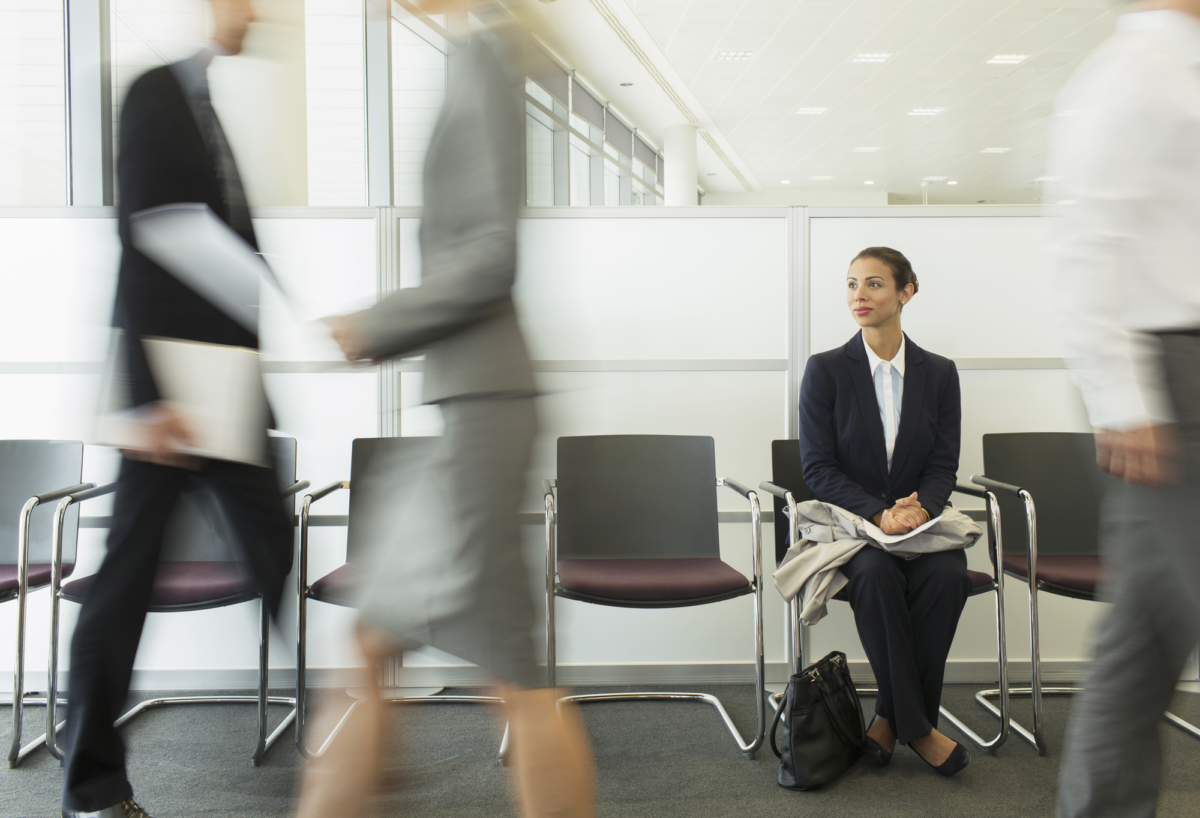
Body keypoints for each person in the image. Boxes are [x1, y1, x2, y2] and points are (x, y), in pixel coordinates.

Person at [298, 3, 595, 817]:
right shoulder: (477, 50)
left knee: (502, 670)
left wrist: (379, 323)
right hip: (474, 406)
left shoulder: (485, 55)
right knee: (414, 651)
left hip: (484, 405)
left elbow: (490, 257)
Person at [58, 3, 294, 818]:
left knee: (273, 552)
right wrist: (149, 400)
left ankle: (325, 747)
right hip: (173, 401)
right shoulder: (156, 94)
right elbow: (145, 237)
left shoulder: (205, 105)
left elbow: (218, 245)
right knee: (125, 584)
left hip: (227, 391)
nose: (255, 13)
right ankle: (91, 786)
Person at [1049, 2, 1200, 815]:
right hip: (1167, 372)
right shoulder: (1131, 71)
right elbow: (1084, 243)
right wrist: (1122, 394)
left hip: (1183, 364)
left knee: (1139, 645)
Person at [797, 247, 971, 776]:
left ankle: (890, 720)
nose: (859, 296)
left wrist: (919, 512)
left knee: (946, 577)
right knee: (875, 577)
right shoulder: (826, 370)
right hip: (853, 529)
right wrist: (879, 514)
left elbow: (943, 463)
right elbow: (818, 467)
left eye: (873, 284)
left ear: (906, 292)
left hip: (919, 526)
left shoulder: (938, 373)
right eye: (851, 285)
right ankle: (920, 729)